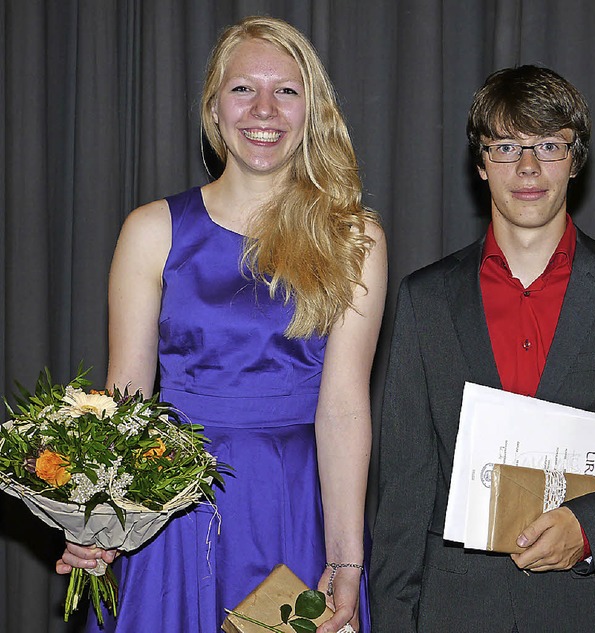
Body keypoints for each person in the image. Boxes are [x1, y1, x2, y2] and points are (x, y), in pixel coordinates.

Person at [55, 16, 386, 633]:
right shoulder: (151, 230)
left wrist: (346, 559)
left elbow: (343, 408)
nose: (264, 108)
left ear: (311, 111)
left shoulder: (354, 239)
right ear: (213, 107)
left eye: (286, 90)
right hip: (171, 511)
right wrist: (96, 525)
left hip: (295, 509)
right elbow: (124, 404)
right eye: (243, 89)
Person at [370, 65, 595, 632]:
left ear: (575, 158)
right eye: (506, 147)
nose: (527, 167)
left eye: (548, 145)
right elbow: (403, 495)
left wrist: (594, 527)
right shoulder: (426, 300)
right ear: (479, 162)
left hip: (592, 611)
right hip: (455, 613)